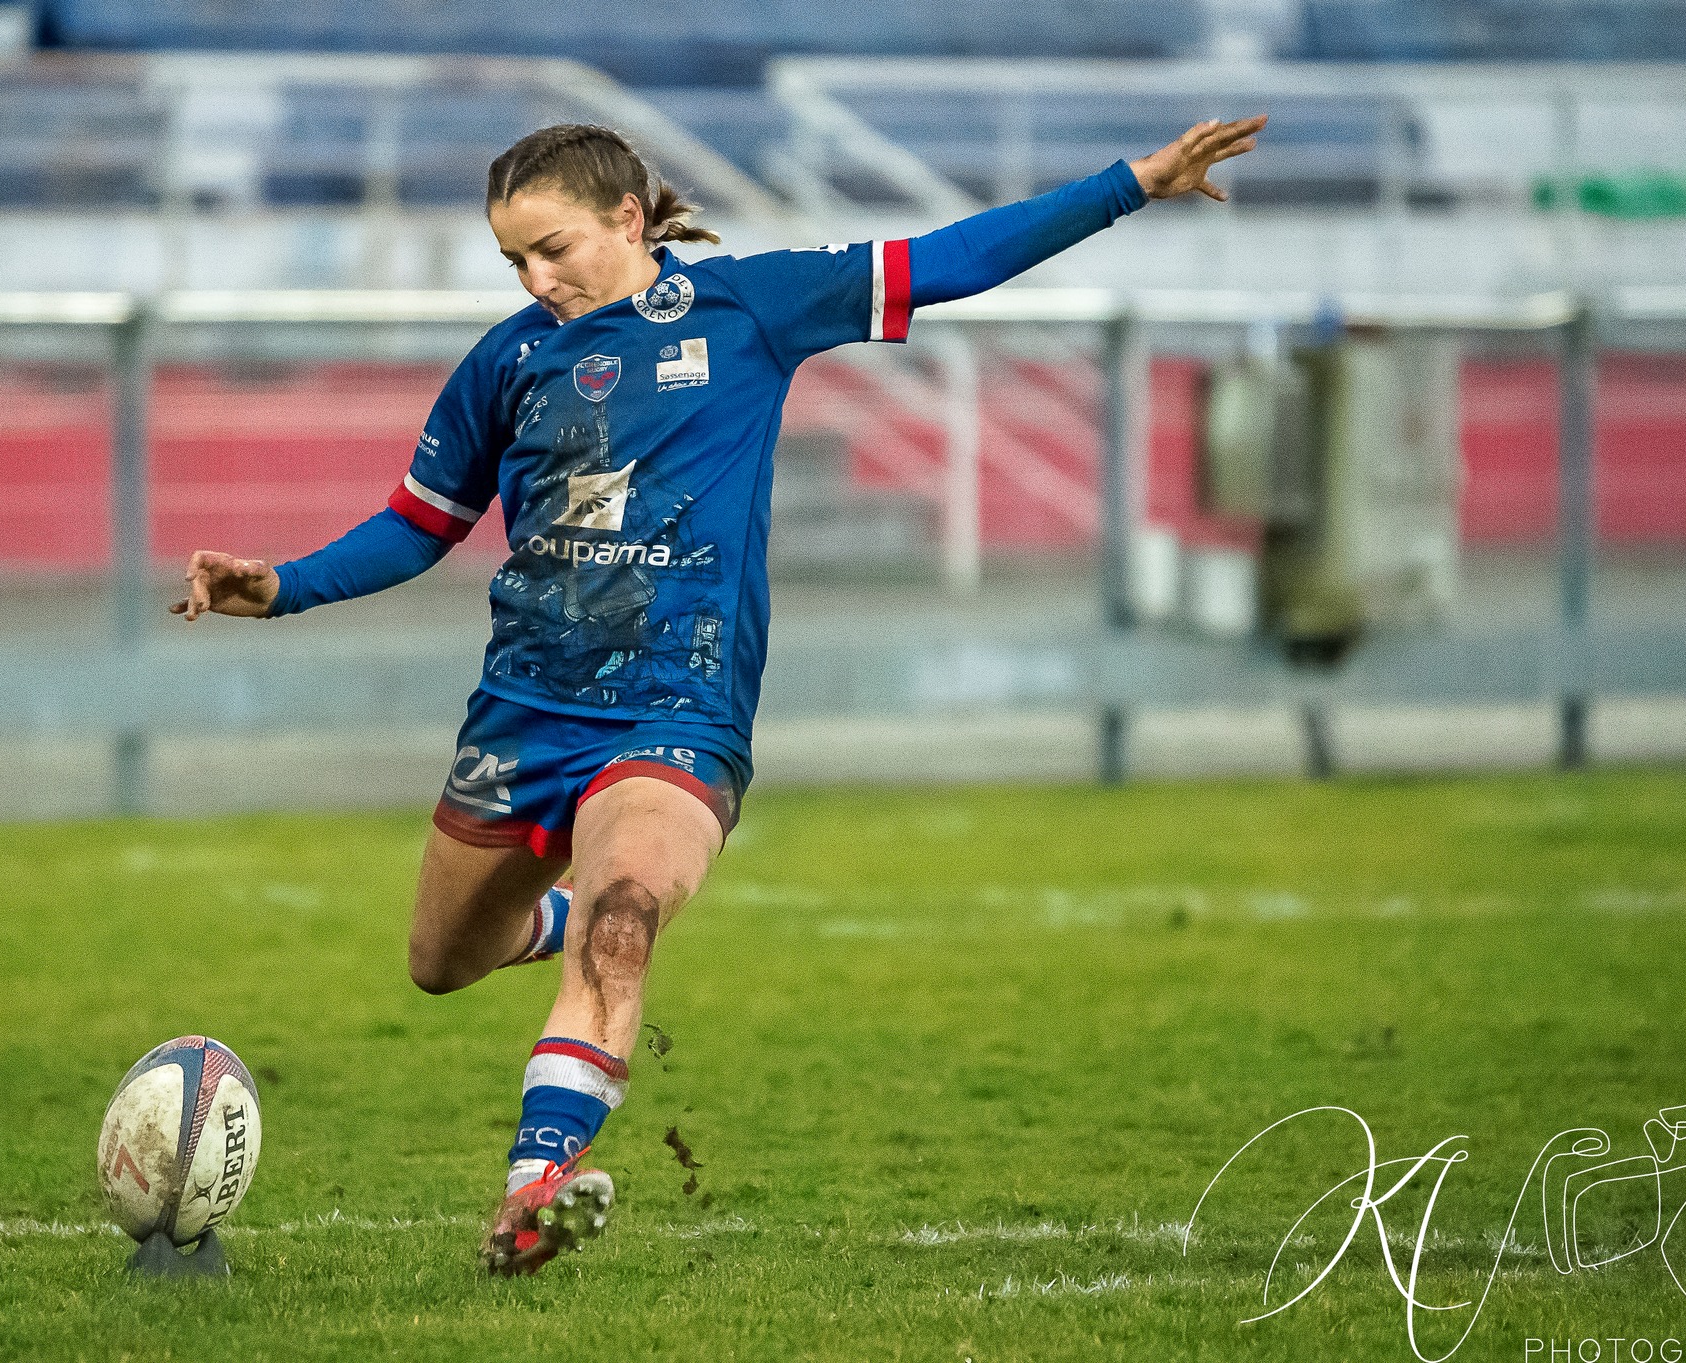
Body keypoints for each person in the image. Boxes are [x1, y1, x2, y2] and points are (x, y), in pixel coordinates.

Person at [171, 114, 1267, 1276]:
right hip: (523, 712)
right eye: (514, 264)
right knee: (442, 959)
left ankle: (532, 1187)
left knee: (629, 913)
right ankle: (555, 919)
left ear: (627, 221)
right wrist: (278, 584)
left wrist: (1131, 185)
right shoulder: (505, 362)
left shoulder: (746, 310)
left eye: (554, 250)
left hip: (675, 715)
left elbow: (949, 258)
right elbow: (416, 526)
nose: (538, 282)